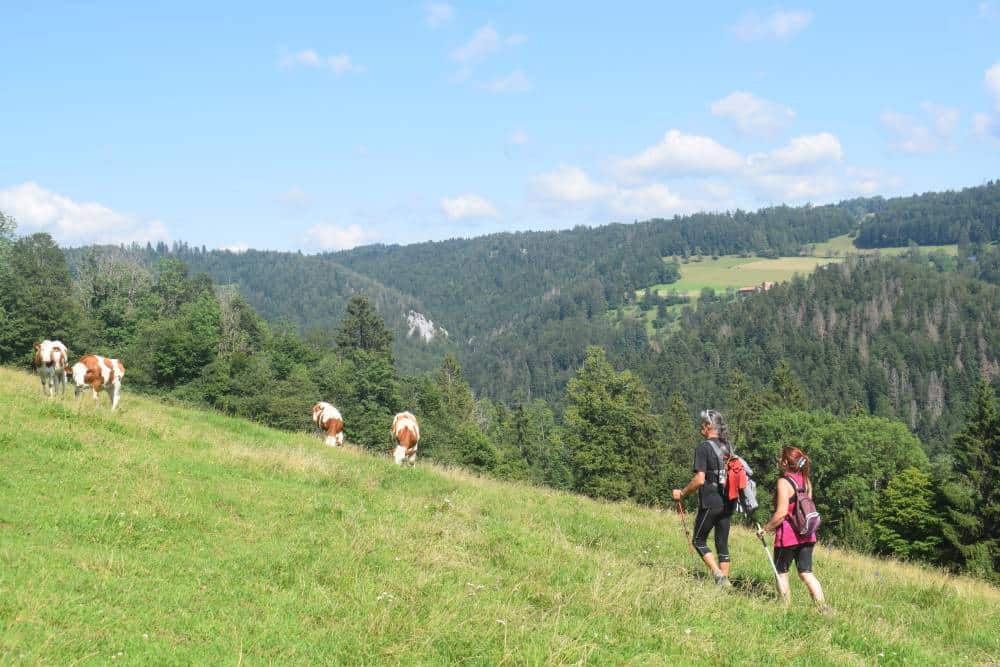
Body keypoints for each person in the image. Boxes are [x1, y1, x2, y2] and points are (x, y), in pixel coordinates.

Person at [756, 446, 830, 612]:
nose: (778, 460)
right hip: (807, 534)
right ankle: (822, 608)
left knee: (781, 572)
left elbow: (782, 513)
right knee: (806, 573)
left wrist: (765, 529)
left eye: (780, 458)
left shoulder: (784, 482)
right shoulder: (805, 480)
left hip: (788, 537)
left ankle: (785, 609)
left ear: (785, 462)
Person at [673, 409, 736, 587]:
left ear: (709, 427)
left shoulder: (703, 448)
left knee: (698, 540)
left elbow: (700, 480)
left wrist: (683, 493)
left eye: (702, 424)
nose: (700, 427)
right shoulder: (728, 446)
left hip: (711, 500)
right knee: (721, 543)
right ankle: (725, 585)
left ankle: (718, 575)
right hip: (728, 501)